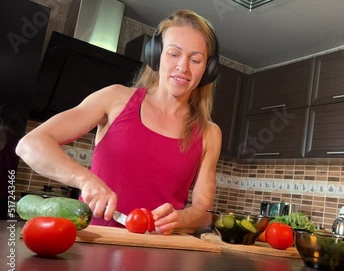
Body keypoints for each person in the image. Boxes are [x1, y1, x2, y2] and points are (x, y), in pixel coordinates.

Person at [15, 10, 222, 235]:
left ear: (208, 69)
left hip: (161, 253)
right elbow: (31, 144)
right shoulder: (115, 99)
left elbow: (204, 212)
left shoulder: (209, 133)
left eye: (195, 59)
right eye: (173, 54)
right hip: (95, 244)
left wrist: (182, 218)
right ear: (156, 56)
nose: (183, 67)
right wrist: (85, 179)